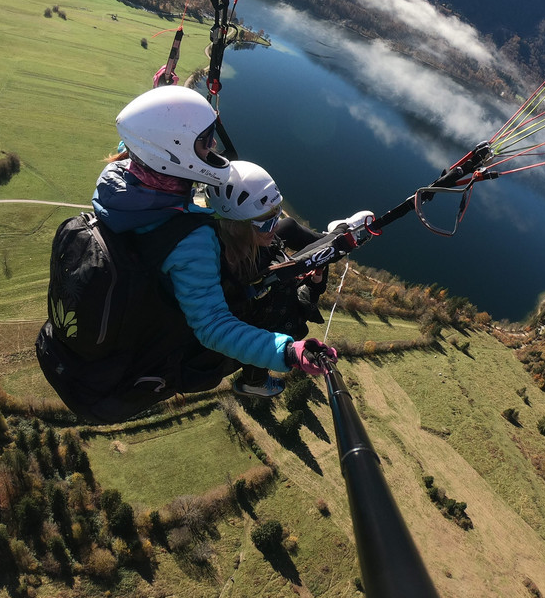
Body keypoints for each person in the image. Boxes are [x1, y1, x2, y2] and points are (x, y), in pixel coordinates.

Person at [36, 85, 337, 423]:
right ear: (173, 150)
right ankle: (255, 379)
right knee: (268, 311)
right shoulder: (190, 239)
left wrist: (165, 104)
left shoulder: (116, 179)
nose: (213, 147)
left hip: (80, 356)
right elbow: (213, 327)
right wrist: (288, 352)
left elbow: (140, 146)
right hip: (136, 371)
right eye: (204, 140)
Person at [208, 160, 332, 397]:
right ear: (236, 225)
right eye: (267, 221)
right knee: (262, 339)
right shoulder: (227, 273)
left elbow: (286, 229)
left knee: (291, 227)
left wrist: (335, 241)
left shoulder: (250, 241)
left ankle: (329, 239)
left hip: (269, 304)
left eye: (277, 213)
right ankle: (253, 383)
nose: (274, 226)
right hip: (256, 331)